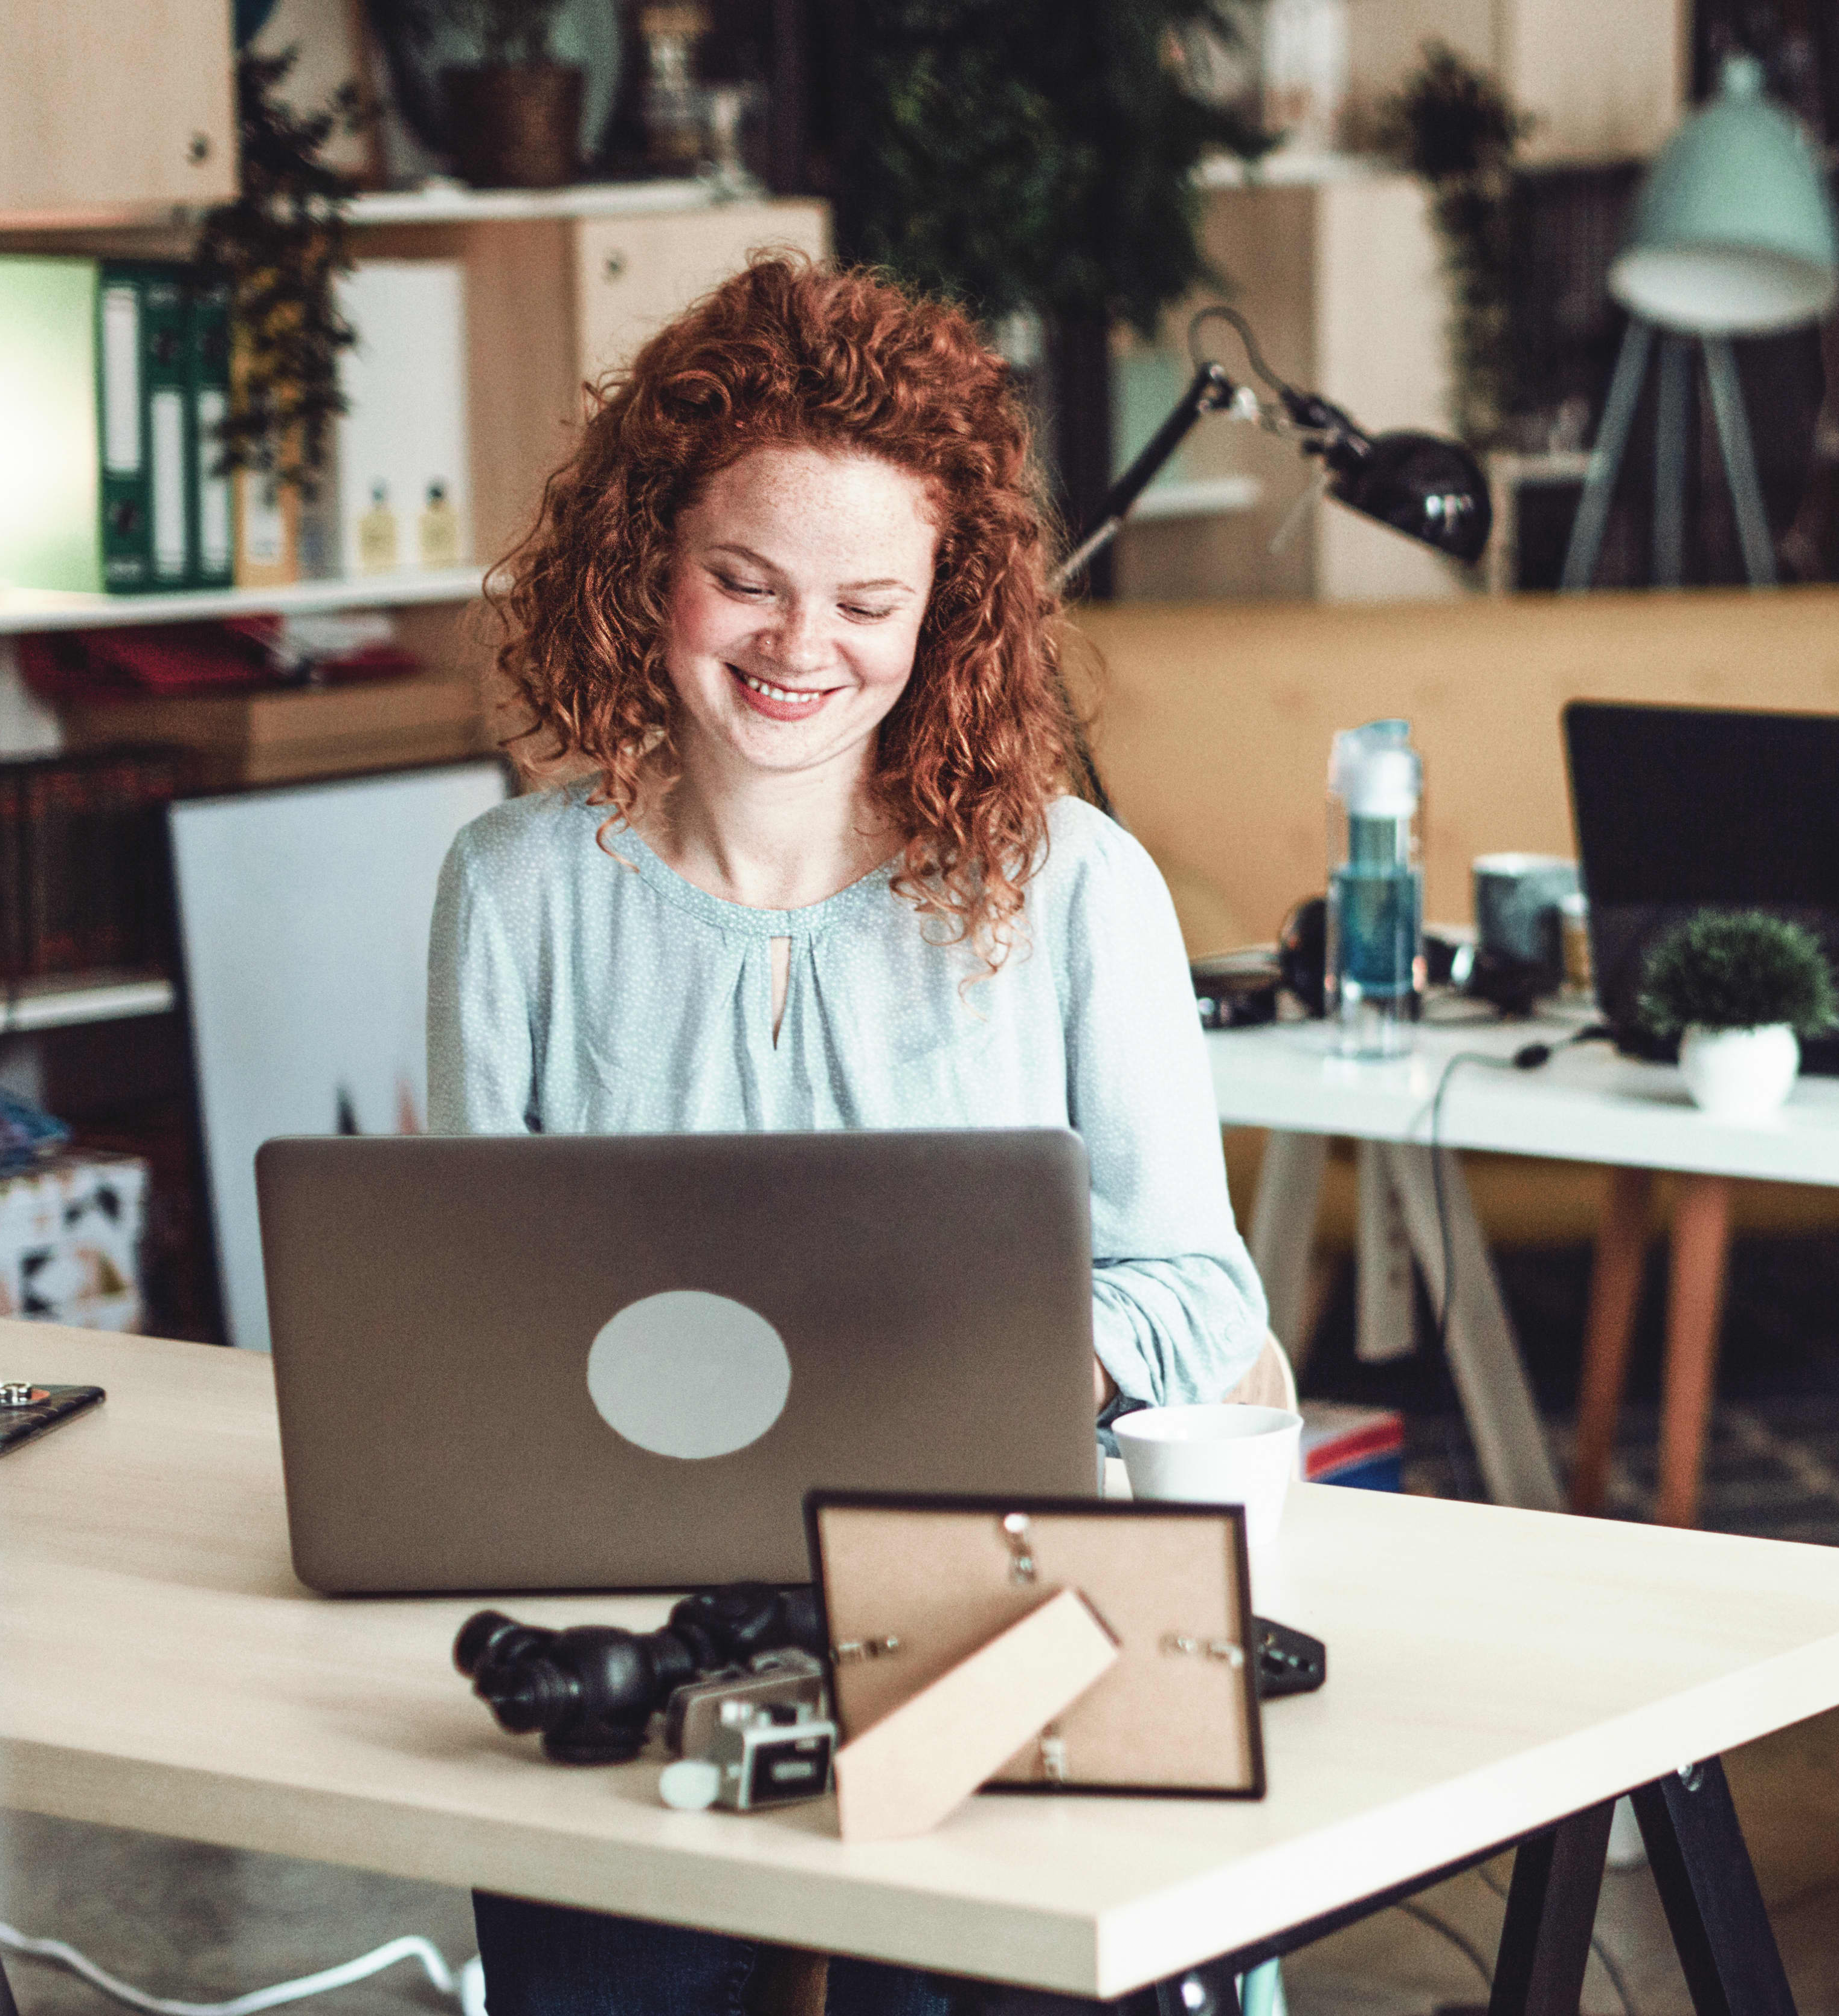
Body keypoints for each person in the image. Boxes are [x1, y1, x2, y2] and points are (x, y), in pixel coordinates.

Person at [427, 254, 1274, 2014]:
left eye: (866, 602)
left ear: (941, 613)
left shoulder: (1074, 889)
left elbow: (1195, 1288)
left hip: (991, 1594)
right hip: (631, 1586)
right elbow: (453, 1308)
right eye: (744, 581)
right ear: (646, 558)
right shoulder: (512, 890)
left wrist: (1018, 1369)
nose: (802, 649)